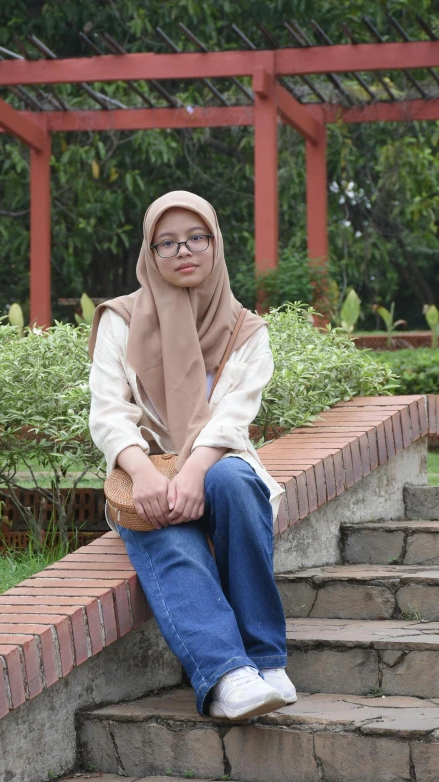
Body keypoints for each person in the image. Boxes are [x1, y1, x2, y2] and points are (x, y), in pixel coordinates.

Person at [88, 190, 296, 721]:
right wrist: (143, 473)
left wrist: (196, 470)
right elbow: (109, 412)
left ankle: (267, 660)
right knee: (171, 539)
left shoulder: (247, 331)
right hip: (148, 469)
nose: (184, 251)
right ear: (149, 253)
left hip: (217, 465)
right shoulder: (121, 319)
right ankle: (227, 673)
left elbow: (232, 417)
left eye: (197, 238)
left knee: (232, 481)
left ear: (216, 243)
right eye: (167, 242)